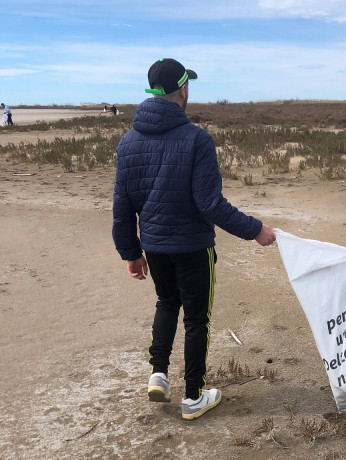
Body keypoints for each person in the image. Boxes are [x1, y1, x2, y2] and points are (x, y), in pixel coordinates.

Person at [112, 58, 277, 420]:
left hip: (154, 246)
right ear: (183, 89)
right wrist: (256, 230)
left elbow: (122, 206)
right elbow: (210, 204)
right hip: (193, 248)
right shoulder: (197, 139)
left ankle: (158, 374)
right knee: (196, 320)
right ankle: (193, 397)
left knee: (166, 304)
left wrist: (131, 251)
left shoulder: (128, 142)